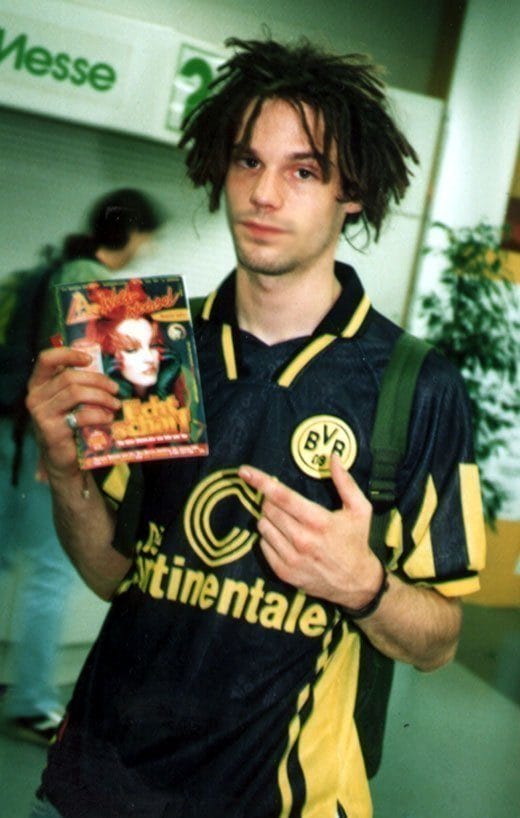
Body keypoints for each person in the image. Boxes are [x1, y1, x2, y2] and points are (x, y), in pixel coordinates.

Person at [26, 38, 485, 818]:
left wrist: (364, 586)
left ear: (352, 191)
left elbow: (439, 640)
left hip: (284, 801)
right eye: (248, 162)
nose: (264, 194)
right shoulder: (148, 344)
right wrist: (67, 473)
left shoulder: (416, 384)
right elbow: (113, 575)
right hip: (100, 786)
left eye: (303, 171)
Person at [0, 188, 164, 746]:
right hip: (43, 444)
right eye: (149, 236)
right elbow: (105, 375)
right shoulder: (93, 283)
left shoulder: (45, 270)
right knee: (50, 571)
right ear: (132, 232)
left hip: (8, 430)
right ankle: (31, 701)